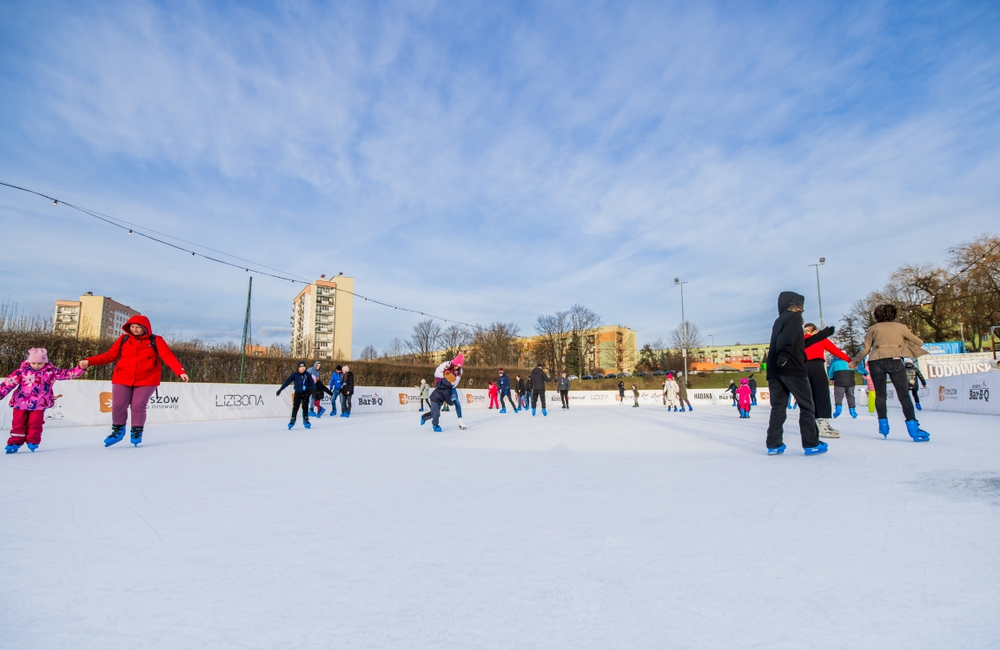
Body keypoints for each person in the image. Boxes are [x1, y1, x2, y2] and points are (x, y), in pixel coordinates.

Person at [80, 314, 189, 447]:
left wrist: (180, 371)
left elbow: (167, 356)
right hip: (122, 377)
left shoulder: (156, 340)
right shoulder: (124, 339)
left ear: (145, 328)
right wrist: (89, 361)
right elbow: (110, 355)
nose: (135, 329)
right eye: (132, 327)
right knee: (118, 405)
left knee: (138, 405)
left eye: (138, 327)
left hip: (147, 378)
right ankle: (118, 431)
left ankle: (136, 432)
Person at [850, 304, 929, 441]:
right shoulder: (901, 327)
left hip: (875, 361)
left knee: (880, 395)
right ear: (894, 314)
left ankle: (883, 426)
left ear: (876, 316)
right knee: (904, 395)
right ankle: (913, 429)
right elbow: (919, 342)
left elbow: (865, 350)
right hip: (895, 361)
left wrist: (854, 362)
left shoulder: (872, 329)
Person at [765, 291, 827, 456]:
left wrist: (821, 336)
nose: (801, 310)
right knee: (807, 406)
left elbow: (796, 340)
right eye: (799, 305)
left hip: (775, 369)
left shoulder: (779, 320)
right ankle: (811, 443)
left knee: (778, 407)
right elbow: (787, 339)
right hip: (792, 367)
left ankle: (774, 444)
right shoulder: (794, 318)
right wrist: (786, 353)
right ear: (793, 305)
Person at [2, 348, 85, 453]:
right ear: (29, 361)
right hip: (21, 403)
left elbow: (68, 374)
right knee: (18, 423)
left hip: (39, 403)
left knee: (35, 423)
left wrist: (80, 369)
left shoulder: (51, 372)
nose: (36, 365)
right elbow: (8, 383)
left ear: (45, 362)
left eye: (40, 363)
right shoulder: (22, 372)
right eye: (34, 363)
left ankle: (33, 441)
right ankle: (14, 442)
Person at [803, 323, 851, 439]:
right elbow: (836, 352)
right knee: (822, 394)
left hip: (803, 369)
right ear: (814, 331)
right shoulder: (820, 339)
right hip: (817, 367)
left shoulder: (799, 340)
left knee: (810, 396)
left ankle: (812, 425)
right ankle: (823, 425)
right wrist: (850, 361)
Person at [421, 354, 464, 431]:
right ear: (453, 363)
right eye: (455, 366)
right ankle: (427, 418)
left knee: (457, 402)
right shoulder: (446, 365)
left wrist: (451, 385)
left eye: (458, 367)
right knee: (436, 411)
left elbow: (456, 382)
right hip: (442, 384)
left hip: (451, 387)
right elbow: (436, 373)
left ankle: (460, 421)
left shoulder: (460, 371)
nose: (457, 368)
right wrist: (446, 377)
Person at [277, 362, 316, 429]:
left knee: (305, 406)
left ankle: (306, 420)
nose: (302, 369)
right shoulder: (295, 374)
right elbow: (287, 381)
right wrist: (281, 389)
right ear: (298, 368)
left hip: (306, 393)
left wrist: (314, 390)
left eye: (304, 367)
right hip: (298, 393)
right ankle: (292, 419)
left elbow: (312, 383)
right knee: (295, 407)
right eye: (301, 367)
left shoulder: (307, 374)